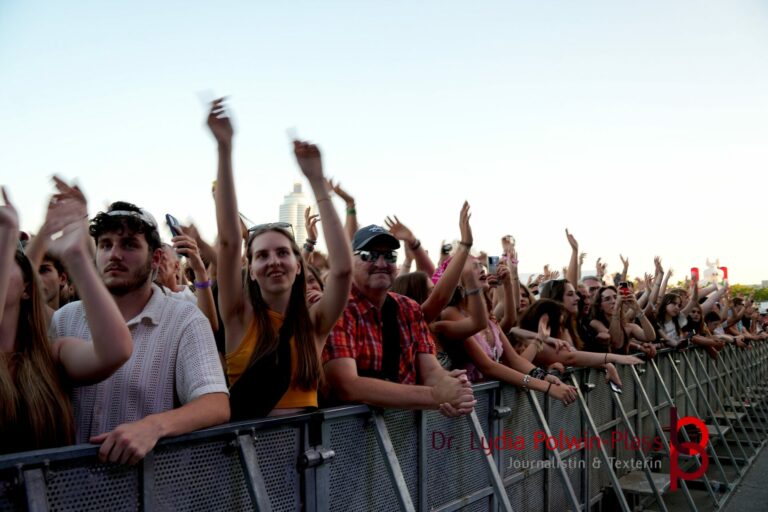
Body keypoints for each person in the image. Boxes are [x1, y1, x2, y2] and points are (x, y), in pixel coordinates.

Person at [51, 195, 229, 465]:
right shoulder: (65, 318)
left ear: (155, 258)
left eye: (129, 244)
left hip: (151, 492)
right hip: (70, 491)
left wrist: (153, 426)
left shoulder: (185, 319)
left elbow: (215, 403)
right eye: (105, 245)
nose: (114, 255)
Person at [211, 99, 353, 419]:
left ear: (298, 264)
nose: (273, 261)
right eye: (261, 255)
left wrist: (317, 181)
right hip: (245, 455)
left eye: (282, 252)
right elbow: (229, 242)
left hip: (306, 459)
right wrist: (224, 148)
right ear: (250, 271)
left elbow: (343, 270)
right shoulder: (236, 315)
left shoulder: (314, 323)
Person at [0, 180, 132, 455]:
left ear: (27, 288)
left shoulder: (52, 354)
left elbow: (116, 350)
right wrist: (6, 239)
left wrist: (77, 257)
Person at [323, 225, 475, 416]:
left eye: (389, 256)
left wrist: (455, 387)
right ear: (350, 262)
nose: (381, 263)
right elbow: (348, 385)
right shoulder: (337, 309)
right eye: (368, 255)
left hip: (402, 433)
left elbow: (430, 372)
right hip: (345, 437)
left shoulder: (408, 308)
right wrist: (435, 396)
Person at [432, 260, 579, 404]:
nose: (482, 269)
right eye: (472, 267)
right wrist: (545, 387)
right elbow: (487, 366)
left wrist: (543, 376)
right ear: (457, 279)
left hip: (489, 404)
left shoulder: (488, 317)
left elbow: (513, 359)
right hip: (464, 408)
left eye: (481, 265)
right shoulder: (451, 314)